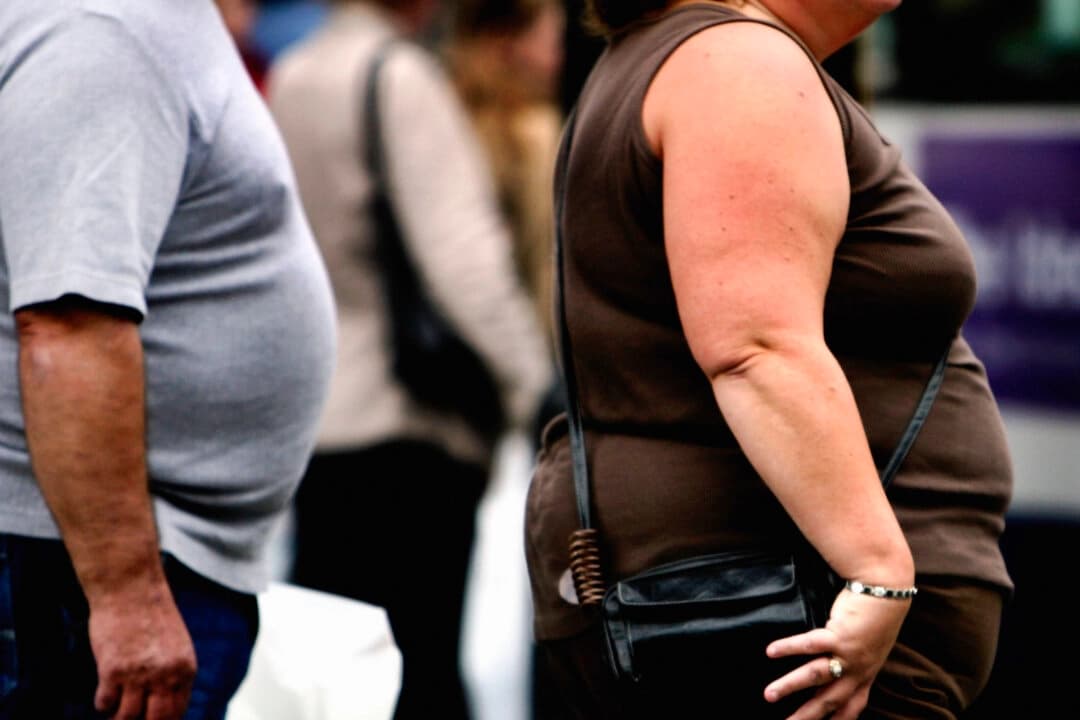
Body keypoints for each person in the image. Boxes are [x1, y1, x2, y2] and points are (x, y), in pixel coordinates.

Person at [524, 1, 1014, 719]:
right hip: (781, 605)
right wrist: (878, 571)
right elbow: (756, 347)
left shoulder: (700, 54)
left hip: (754, 595)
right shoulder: (736, 63)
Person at [0, 1, 336, 719]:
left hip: (108, 564)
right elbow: (67, 323)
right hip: (81, 576)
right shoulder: (105, 27)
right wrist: (126, 594)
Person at [265, 1, 553, 719]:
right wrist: (536, 394)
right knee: (417, 672)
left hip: (323, 413)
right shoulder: (399, 76)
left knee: (328, 675)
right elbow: (465, 263)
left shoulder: (293, 74)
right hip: (409, 421)